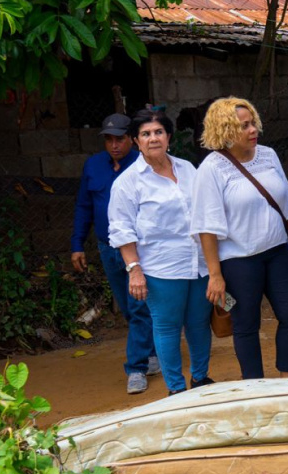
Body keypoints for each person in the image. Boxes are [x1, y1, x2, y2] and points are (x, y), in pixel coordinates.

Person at [193, 97, 288, 379]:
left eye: (252, 123)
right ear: (225, 131)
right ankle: (254, 384)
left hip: (277, 251)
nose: (252, 130)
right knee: (246, 324)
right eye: (243, 126)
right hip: (238, 261)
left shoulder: (268, 155)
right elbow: (206, 227)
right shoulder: (212, 168)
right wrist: (215, 274)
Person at [108, 109, 212, 396]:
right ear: (136, 141)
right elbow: (121, 230)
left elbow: (205, 212)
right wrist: (134, 270)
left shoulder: (188, 169)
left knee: (199, 323)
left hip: (199, 263)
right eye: (145, 134)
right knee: (167, 328)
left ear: (168, 137)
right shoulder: (128, 182)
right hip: (161, 268)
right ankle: (176, 389)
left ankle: (201, 379)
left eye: (158, 132)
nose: (153, 138)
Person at [70, 112, 157, 395]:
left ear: (131, 139)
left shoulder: (145, 166)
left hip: (138, 249)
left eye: (119, 139)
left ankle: (136, 367)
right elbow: (84, 206)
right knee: (130, 308)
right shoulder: (94, 166)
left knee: (139, 306)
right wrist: (77, 244)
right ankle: (153, 353)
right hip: (107, 247)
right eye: (109, 139)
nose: (114, 145)